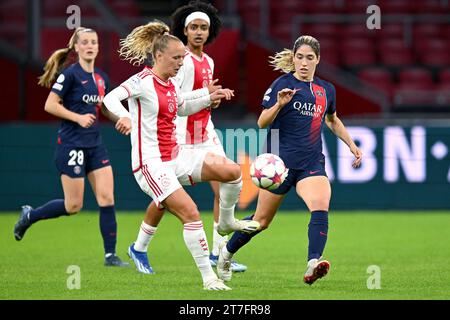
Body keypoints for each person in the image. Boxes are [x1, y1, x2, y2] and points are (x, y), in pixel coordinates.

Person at [103, 20, 259, 290]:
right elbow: (109, 99)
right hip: (150, 164)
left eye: (182, 58)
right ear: (158, 55)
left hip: (176, 156)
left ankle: (227, 221)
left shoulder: (171, 84)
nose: (180, 63)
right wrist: (125, 117)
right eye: (176, 58)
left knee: (232, 172)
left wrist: (210, 96)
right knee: (190, 212)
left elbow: (183, 106)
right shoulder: (142, 81)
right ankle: (209, 278)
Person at [216, 35, 363, 285]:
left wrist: (351, 144)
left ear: (318, 59)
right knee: (261, 222)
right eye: (299, 57)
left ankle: (313, 263)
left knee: (320, 206)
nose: (303, 63)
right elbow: (262, 122)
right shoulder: (282, 84)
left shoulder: (326, 90)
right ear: (293, 58)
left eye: (309, 58)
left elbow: (332, 119)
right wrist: (279, 104)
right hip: (279, 167)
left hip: (311, 163)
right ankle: (226, 254)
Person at [135, 0, 248, 275]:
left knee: (225, 185)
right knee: (164, 198)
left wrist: (212, 100)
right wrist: (206, 96)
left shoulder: (208, 61)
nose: (199, 32)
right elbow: (174, 99)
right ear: (184, 31)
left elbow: (201, 99)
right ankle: (139, 247)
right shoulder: (180, 60)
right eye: (194, 27)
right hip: (179, 136)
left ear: (210, 32)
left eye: (204, 28)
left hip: (205, 133)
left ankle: (220, 254)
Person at [13, 27, 129, 267]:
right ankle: (30, 215)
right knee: (73, 206)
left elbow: (103, 109)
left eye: (93, 42)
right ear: (76, 47)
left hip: (95, 145)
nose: (89, 46)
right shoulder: (70, 75)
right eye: (84, 42)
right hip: (71, 145)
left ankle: (110, 256)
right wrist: (77, 117)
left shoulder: (101, 77)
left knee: (107, 197)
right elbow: (50, 104)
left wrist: (122, 119)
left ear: (98, 47)